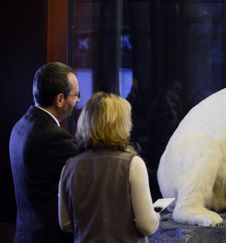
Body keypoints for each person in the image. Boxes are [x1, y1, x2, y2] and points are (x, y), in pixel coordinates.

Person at [58, 92, 160, 243]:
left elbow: (65, 224)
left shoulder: (69, 167)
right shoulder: (133, 164)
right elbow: (147, 226)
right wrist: (156, 216)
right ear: (120, 124)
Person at [9, 62, 80, 243]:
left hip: (25, 234)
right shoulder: (54, 138)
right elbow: (90, 172)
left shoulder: (21, 125)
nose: (78, 100)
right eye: (76, 95)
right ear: (60, 99)